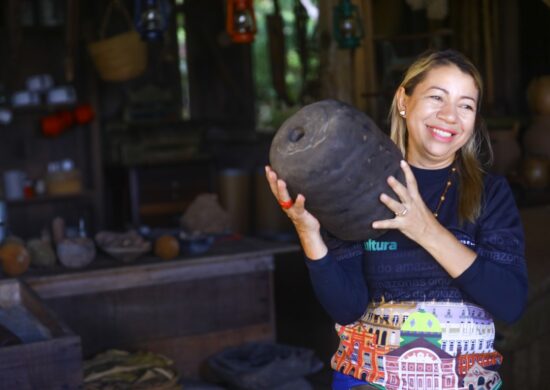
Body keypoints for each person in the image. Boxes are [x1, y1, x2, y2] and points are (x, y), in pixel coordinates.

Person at [265, 49, 527, 390]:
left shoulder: (491, 195)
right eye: (436, 97)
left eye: (466, 105)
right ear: (404, 101)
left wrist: (426, 231)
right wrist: (308, 232)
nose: (450, 115)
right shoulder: (357, 186)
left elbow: (511, 303)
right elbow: (347, 309)